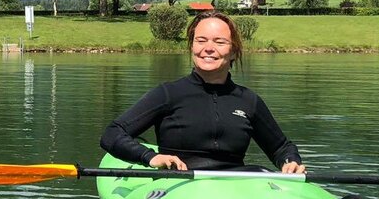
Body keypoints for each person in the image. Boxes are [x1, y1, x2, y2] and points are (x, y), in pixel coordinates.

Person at [100, 11, 305, 173]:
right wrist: (150, 157)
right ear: (192, 47)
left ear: (233, 51)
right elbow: (113, 134)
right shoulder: (168, 94)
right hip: (179, 182)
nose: (208, 48)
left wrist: (290, 162)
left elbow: (281, 148)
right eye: (201, 40)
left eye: (219, 42)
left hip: (236, 184)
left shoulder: (248, 101)